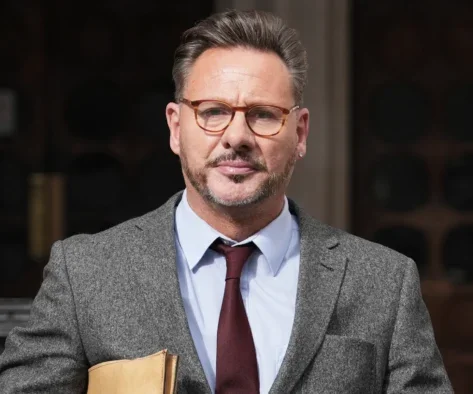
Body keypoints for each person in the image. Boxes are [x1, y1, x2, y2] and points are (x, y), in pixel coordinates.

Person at [0, 9, 452, 394]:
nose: (237, 137)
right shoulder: (85, 273)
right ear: (176, 127)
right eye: (213, 112)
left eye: (262, 115)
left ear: (300, 132)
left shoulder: (385, 283)